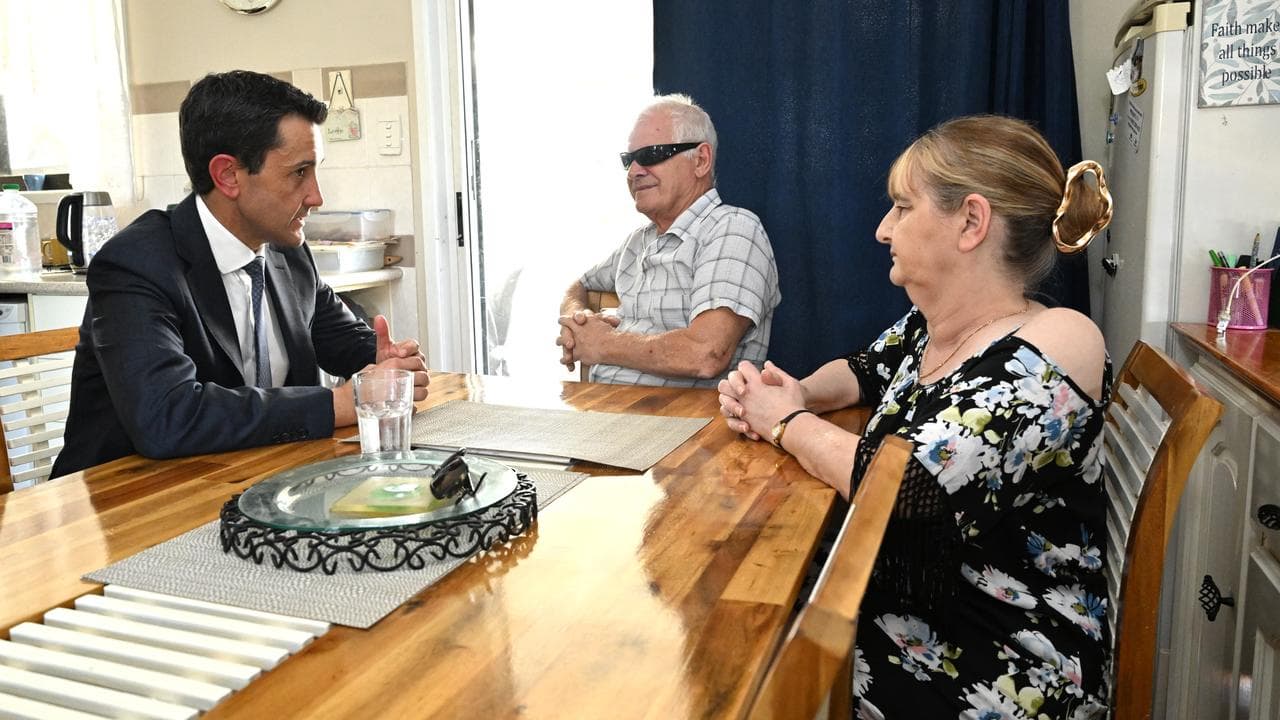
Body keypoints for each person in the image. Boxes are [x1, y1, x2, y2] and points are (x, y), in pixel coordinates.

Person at [718, 115, 1114, 718]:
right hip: (912, 613)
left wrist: (784, 424)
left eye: (902, 207)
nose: (883, 230)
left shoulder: (1061, 340)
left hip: (999, 661)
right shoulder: (936, 325)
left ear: (971, 223)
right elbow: (861, 370)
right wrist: (794, 392)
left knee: (728, 669)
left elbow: (913, 492)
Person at [51, 70, 429, 477]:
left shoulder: (288, 249)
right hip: (124, 506)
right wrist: (338, 404)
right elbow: (167, 418)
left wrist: (385, 360)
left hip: (248, 481)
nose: (317, 197)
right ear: (228, 175)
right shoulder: (135, 265)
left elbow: (339, 338)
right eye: (299, 172)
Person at [556, 94, 780, 387]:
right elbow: (579, 285)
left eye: (652, 154)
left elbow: (706, 354)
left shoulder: (733, 230)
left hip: (683, 421)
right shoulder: (639, 240)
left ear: (700, 160)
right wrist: (579, 320)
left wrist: (604, 343)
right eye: (629, 160)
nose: (635, 171)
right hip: (604, 410)